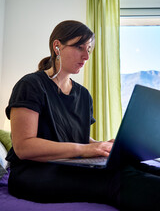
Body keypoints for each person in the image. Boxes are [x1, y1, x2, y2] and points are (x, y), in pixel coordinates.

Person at [5, 20, 160, 211]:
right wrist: (85, 150)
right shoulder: (31, 85)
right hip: (34, 172)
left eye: (88, 49)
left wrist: (103, 146)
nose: (86, 56)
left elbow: (77, 137)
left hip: (68, 165)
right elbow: (24, 147)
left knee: (142, 168)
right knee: (115, 179)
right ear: (57, 47)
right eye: (79, 47)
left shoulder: (83, 94)